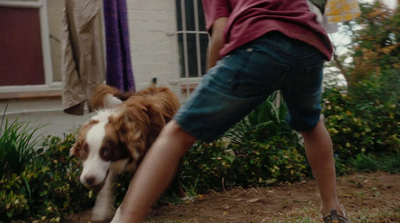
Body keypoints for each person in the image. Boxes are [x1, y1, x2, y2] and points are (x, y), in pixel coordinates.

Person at [111, 0, 350, 222]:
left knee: (175, 132)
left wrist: (210, 87)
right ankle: (332, 208)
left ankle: (127, 219)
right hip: (310, 46)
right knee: (310, 124)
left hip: (260, 41)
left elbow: (219, 34)